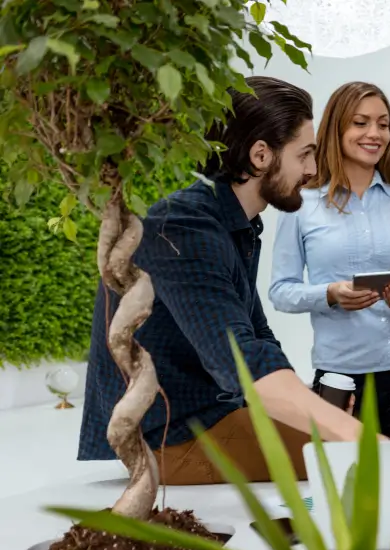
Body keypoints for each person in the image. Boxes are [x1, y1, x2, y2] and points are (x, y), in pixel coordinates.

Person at [78, 77, 363, 484]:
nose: (313, 170)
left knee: (340, 440)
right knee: (354, 460)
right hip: (173, 436)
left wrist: (310, 405)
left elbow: (258, 338)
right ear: (261, 155)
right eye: (305, 155)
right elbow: (240, 361)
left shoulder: (235, 227)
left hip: (215, 415)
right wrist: (356, 436)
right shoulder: (183, 227)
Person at [269, 81, 390, 440]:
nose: (375, 133)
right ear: (337, 129)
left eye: (383, 124)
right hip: (341, 375)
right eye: (361, 123)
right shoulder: (301, 203)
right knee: (343, 472)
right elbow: (281, 291)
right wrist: (330, 293)